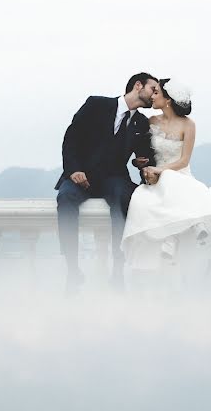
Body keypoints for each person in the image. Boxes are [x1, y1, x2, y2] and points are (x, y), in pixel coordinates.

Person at [121, 78, 211, 273]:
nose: (152, 96)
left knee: (172, 180)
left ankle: (184, 234)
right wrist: (141, 165)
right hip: (156, 179)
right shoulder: (151, 122)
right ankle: (171, 239)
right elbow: (141, 154)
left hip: (179, 173)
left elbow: (184, 160)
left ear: (168, 100)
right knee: (142, 199)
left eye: (156, 92)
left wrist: (161, 170)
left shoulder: (188, 125)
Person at [55, 72, 158, 295]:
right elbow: (70, 138)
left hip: (114, 178)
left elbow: (145, 156)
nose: (155, 95)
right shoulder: (96, 104)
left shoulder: (141, 122)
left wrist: (141, 163)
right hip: (81, 175)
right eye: (153, 89)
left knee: (125, 197)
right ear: (138, 86)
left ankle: (118, 269)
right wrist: (74, 170)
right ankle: (72, 270)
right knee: (64, 198)